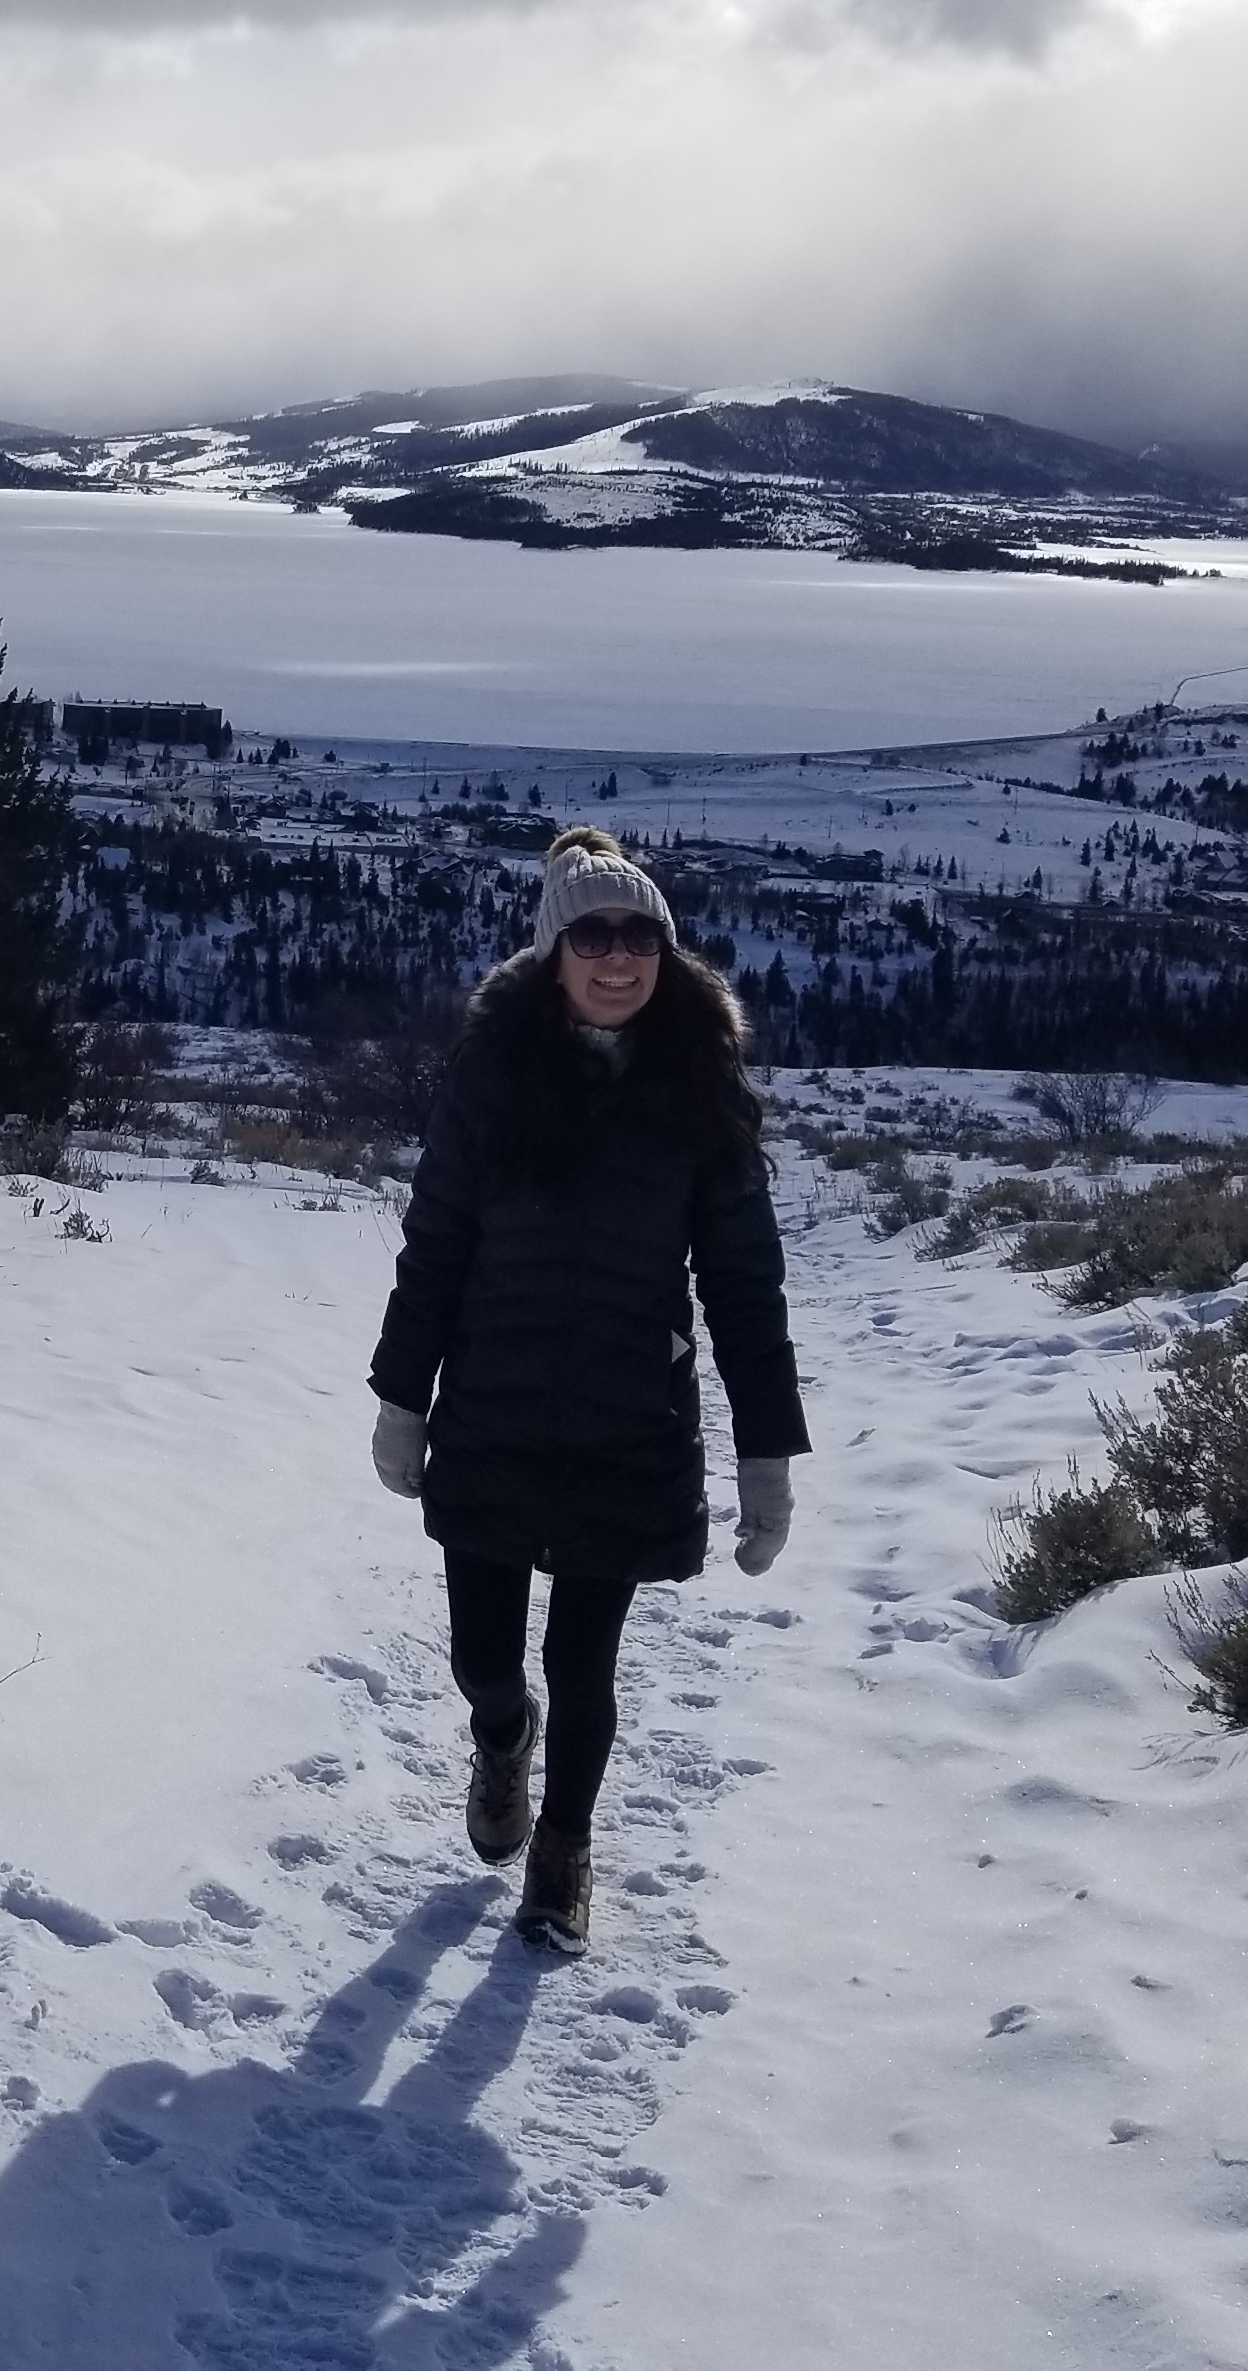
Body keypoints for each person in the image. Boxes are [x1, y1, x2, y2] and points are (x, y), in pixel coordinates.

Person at [365, 824, 805, 1952]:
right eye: (595, 936)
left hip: (628, 1420)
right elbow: (438, 1239)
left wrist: (767, 1456)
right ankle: (503, 1739)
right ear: (554, 952)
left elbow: (746, 1282)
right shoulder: (495, 1073)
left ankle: (563, 1853)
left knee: (586, 1658)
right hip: (496, 1406)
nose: (620, 959)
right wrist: (402, 1394)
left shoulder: (699, 1085)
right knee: (485, 1657)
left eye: (641, 936)